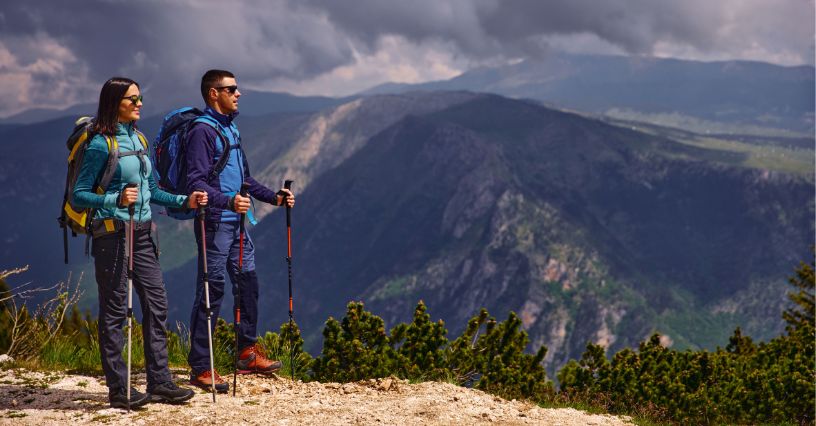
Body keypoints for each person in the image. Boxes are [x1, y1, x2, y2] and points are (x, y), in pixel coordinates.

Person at [73, 77, 207, 409]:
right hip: (113, 235)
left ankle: (159, 382)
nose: (139, 104)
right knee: (116, 311)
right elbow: (79, 196)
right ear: (113, 103)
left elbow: (151, 190)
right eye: (132, 99)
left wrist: (183, 200)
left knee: (157, 304)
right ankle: (119, 390)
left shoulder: (139, 139)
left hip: (143, 233)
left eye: (140, 98)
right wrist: (115, 198)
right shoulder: (100, 145)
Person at [185, 69, 295, 392]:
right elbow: (196, 183)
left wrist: (274, 197)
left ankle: (246, 352)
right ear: (213, 94)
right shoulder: (202, 132)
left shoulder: (230, 130)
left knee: (248, 285)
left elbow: (243, 180)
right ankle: (201, 366)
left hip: (237, 225)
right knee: (211, 290)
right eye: (231, 89)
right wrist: (229, 202)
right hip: (215, 223)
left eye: (237, 88)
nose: (238, 93)